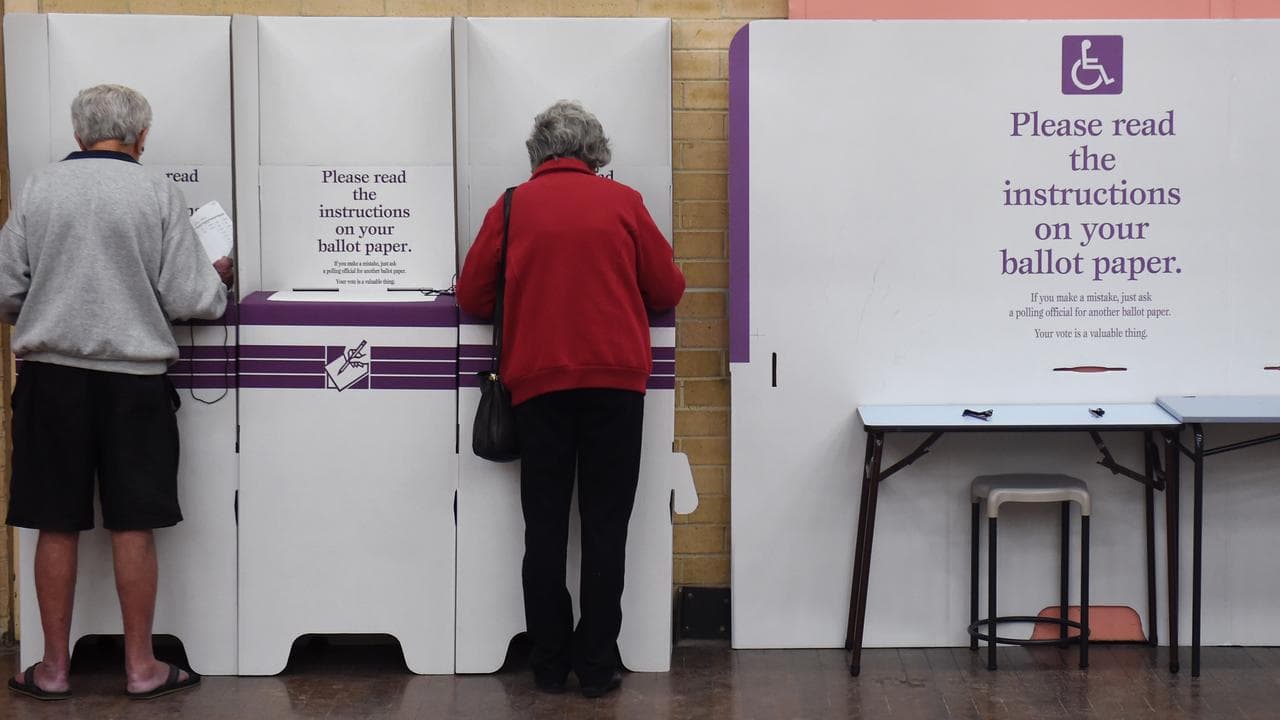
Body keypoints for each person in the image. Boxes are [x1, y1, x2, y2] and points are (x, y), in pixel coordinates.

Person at [0, 84, 233, 701]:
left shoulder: (38, 187)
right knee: (133, 524)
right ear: (142, 137)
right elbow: (192, 299)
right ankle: (141, 668)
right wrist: (216, 280)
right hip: (135, 385)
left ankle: (51, 669)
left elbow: (4, 290)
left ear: (78, 135)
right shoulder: (156, 191)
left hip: (50, 379)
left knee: (54, 523)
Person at [457, 100, 685, 698]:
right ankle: (597, 664)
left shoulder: (510, 206)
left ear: (539, 151)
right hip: (616, 385)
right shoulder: (625, 202)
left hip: (538, 385)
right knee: (607, 526)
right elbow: (668, 288)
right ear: (594, 150)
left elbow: (473, 297)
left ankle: (549, 663)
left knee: (546, 528)